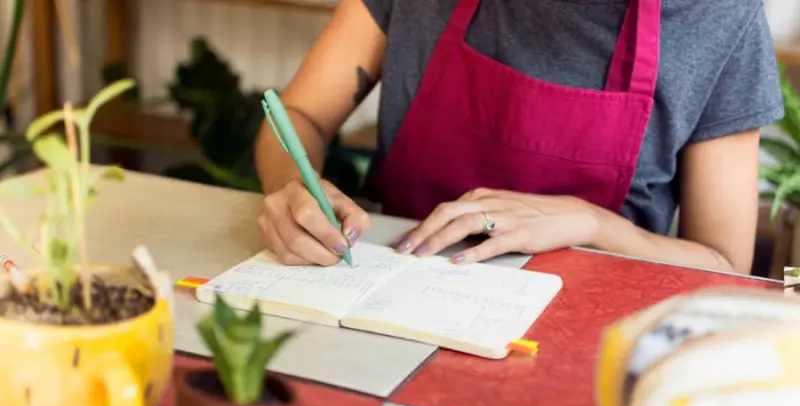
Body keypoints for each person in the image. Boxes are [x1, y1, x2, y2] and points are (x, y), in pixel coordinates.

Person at [255, 0, 784, 275]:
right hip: (390, 289)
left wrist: (592, 224)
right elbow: (301, 113)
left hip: (592, 343)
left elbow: (724, 265)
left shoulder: (719, 18)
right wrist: (290, 187)